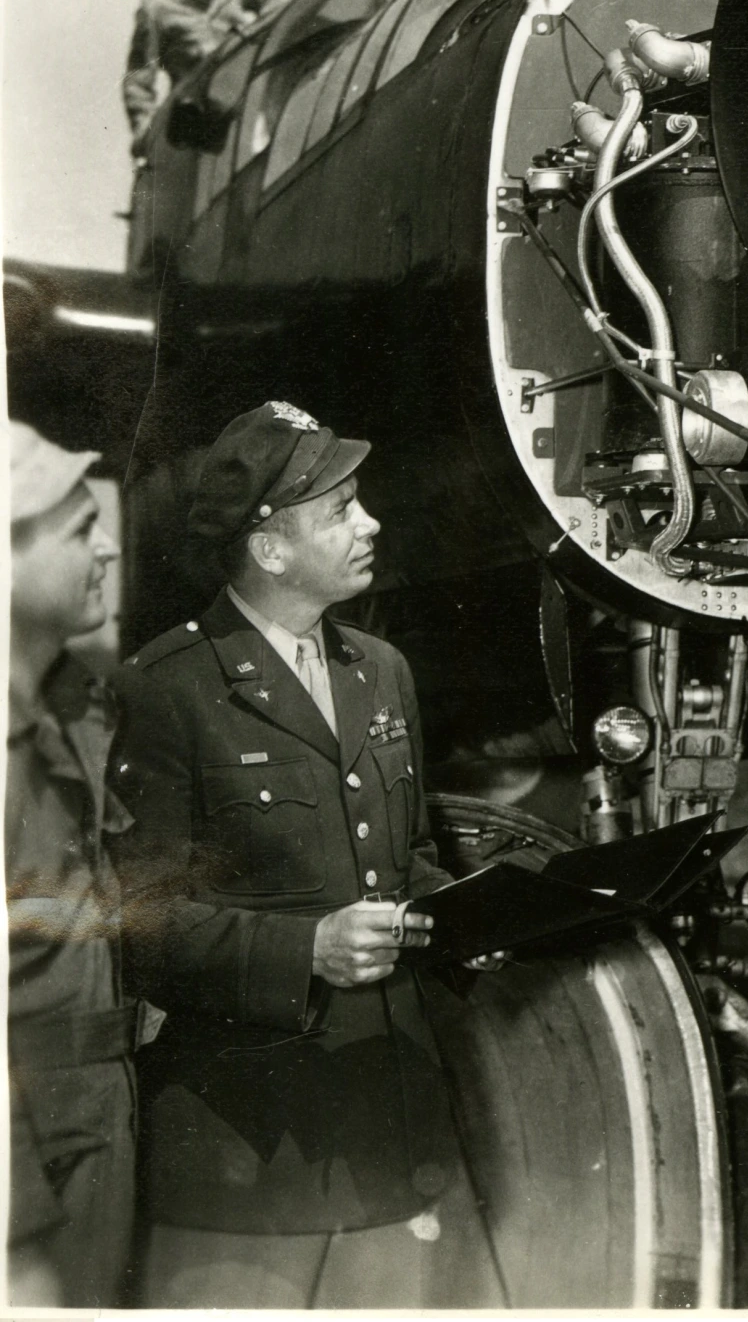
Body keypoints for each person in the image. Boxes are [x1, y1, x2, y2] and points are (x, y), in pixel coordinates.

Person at [108, 401, 498, 1308]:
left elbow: (411, 862)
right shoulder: (167, 691)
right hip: (251, 1146)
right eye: (341, 510)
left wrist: (490, 912)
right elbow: (135, 927)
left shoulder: (381, 670)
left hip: (398, 1123)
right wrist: (306, 950)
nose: (371, 525)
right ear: (270, 550)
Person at [6, 423, 136, 1306]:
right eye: (78, 527)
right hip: (30, 1168)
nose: (110, 544)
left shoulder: (71, 707)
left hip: (90, 1126)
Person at [122, 0, 279, 151]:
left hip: (254, 101)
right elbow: (139, 81)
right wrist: (147, 137)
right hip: (210, 132)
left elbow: (271, 5)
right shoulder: (156, 9)